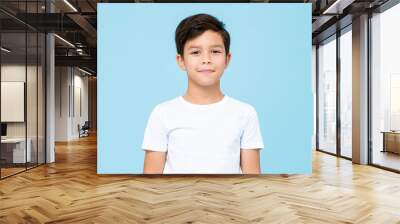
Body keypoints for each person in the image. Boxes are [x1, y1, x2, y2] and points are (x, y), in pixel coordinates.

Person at [142, 13, 264, 174]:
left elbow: (252, 182)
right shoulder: (162, 113)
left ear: (227, 59)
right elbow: (150, 181)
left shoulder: (246, 113)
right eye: (195, 52)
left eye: (215, 51)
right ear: (181, 61)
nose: (206, 59)